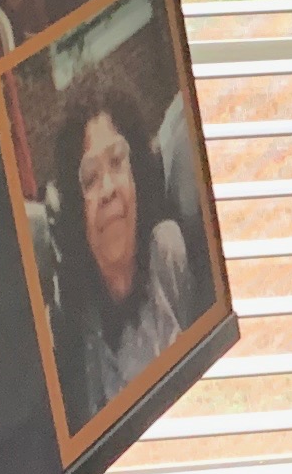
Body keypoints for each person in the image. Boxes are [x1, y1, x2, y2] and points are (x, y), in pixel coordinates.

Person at [50, 88, 203, 426]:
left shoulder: (168, 252)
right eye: (90, 179)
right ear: (76, 207)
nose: (108, 189)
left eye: (118, 162)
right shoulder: (74, 325)